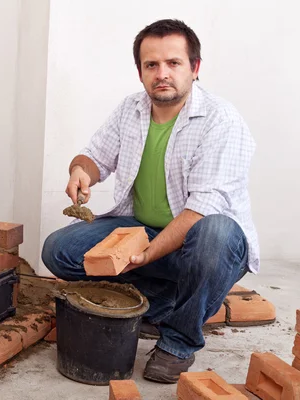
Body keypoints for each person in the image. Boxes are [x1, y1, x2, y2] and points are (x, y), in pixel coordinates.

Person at [41, 19, 258, 384]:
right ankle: (171, 305)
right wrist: (80, 172)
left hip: (201, 243)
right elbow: (94, 156)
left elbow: (200, 211)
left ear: (195, 68)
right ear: (140, 71)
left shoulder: (221, 121)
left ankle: (178, 342)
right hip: (141, 230)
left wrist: (144, 255)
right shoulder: (132, 109)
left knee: (215, 234)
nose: (162, 74)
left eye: (174, 63)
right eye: (151, 65)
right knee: (58, 250)